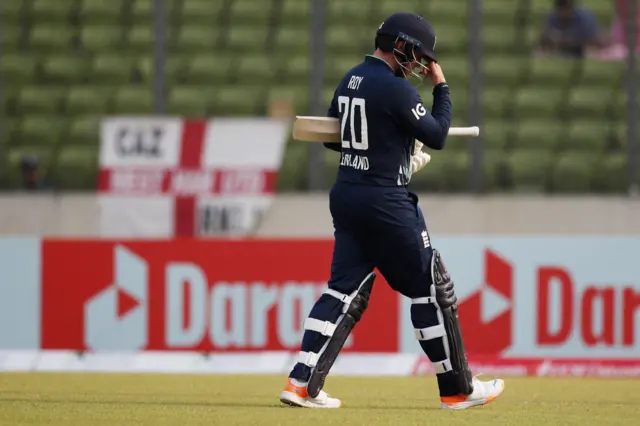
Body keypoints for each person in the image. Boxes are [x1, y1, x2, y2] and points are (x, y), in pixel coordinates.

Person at [279, 12, 505, 410]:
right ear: (399, 45)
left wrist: (397, 154)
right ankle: (458, 389)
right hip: (385, 201)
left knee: (343, 290)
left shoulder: (351, 78)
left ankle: (300, 383)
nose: (421, 64)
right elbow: (436, 135)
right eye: (418, 54)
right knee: (431, 289)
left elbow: (336, 139)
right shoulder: (398, 90)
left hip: (348, 194)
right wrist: (443, 88)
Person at [538, 0, 604, 58]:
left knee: (591, 52)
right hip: (559, 49)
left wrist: (569, 41)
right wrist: (551, 39)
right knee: (541, 53)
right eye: (560, 10)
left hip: (582, 49)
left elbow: (595, 41)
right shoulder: (552, 17)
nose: (563, 14)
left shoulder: (585, 18)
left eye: (565, 9)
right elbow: (544, 39)